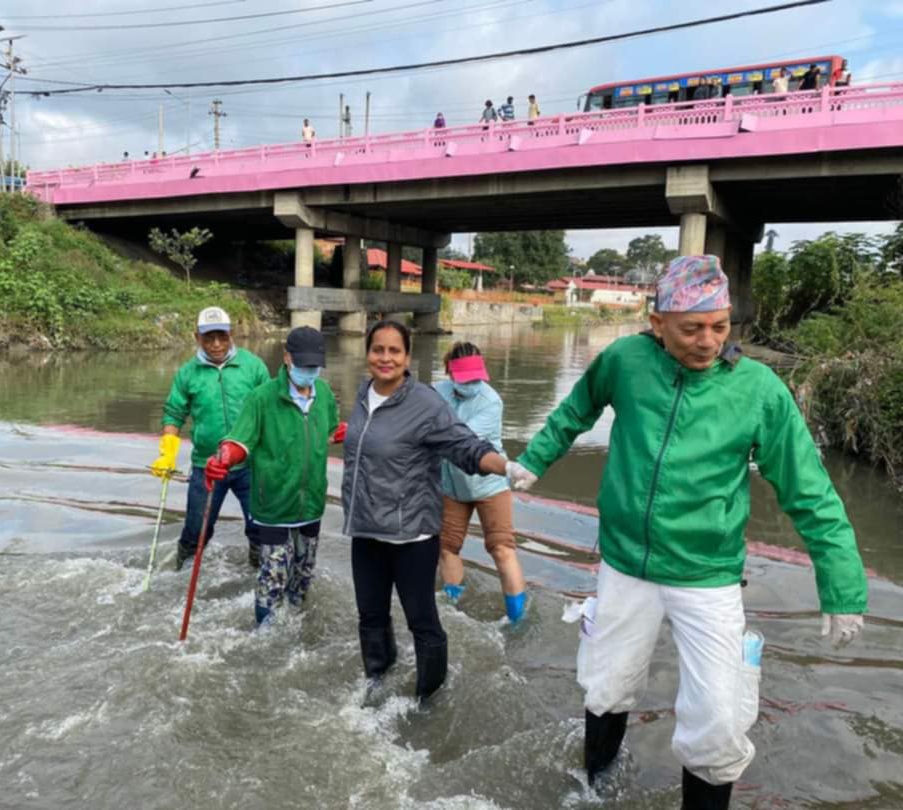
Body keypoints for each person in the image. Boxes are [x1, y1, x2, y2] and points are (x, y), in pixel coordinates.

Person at [506, 256, 867, 808]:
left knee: (719, 721)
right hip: (626, 564)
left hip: (708, 575)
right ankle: (595, 789)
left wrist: (841, 582)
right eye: (692, 328)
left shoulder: (758, 391)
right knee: (607, 688)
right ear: (657, 323)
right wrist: (534, 458)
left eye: (720, 327)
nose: (708, 341)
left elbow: (809, 490)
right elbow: (575, 411)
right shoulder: (624, 361)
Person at [342, 320, 511, 701]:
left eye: (394, 351)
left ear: (407, 357)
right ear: (367, 353)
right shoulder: (363, 393)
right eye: (377, 350)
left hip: (410, 535)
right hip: (366, 528)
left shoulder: (426, 402)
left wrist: (504, 465)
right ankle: (377, 681)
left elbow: (463, 445)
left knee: (423, 622)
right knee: (370, 616)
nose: (385, 358)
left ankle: (429, 699)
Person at [213, 326, 347, 625]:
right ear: (287, 358)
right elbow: (240, 440)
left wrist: (349, 433)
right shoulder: (261, 398)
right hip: (273, 504)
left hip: (311, 503)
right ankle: (266, 630)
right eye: (303, 365)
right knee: (273, 573)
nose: (309, 372)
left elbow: (328, 431)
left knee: (304, 571)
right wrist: (224, 457)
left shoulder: (324, 393)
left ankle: (297, 620)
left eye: (315, 366)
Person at [151, 306, 271, 569]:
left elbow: (270, 412)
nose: (216, 344)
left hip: (250, 466)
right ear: (197, 337)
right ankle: (181, 574)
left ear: (232, 334)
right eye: (208, 338)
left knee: (261, 530)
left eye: (222, 336)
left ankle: (258, 575)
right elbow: (173, 414)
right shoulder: (187, 373)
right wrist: (167, 452)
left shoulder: (253, 367)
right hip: (207, 468)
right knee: (196, 531)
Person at [435, 343, 528, 624]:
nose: (473, 384)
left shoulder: (491, 401)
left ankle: (518, 618)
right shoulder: (436, 393)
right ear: (450, 372)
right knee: (447, 547)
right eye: (466, 379)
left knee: (501, 548)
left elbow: (463, 441)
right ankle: (451, 611)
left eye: (477, 378)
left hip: (489, 485)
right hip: (452, 486)